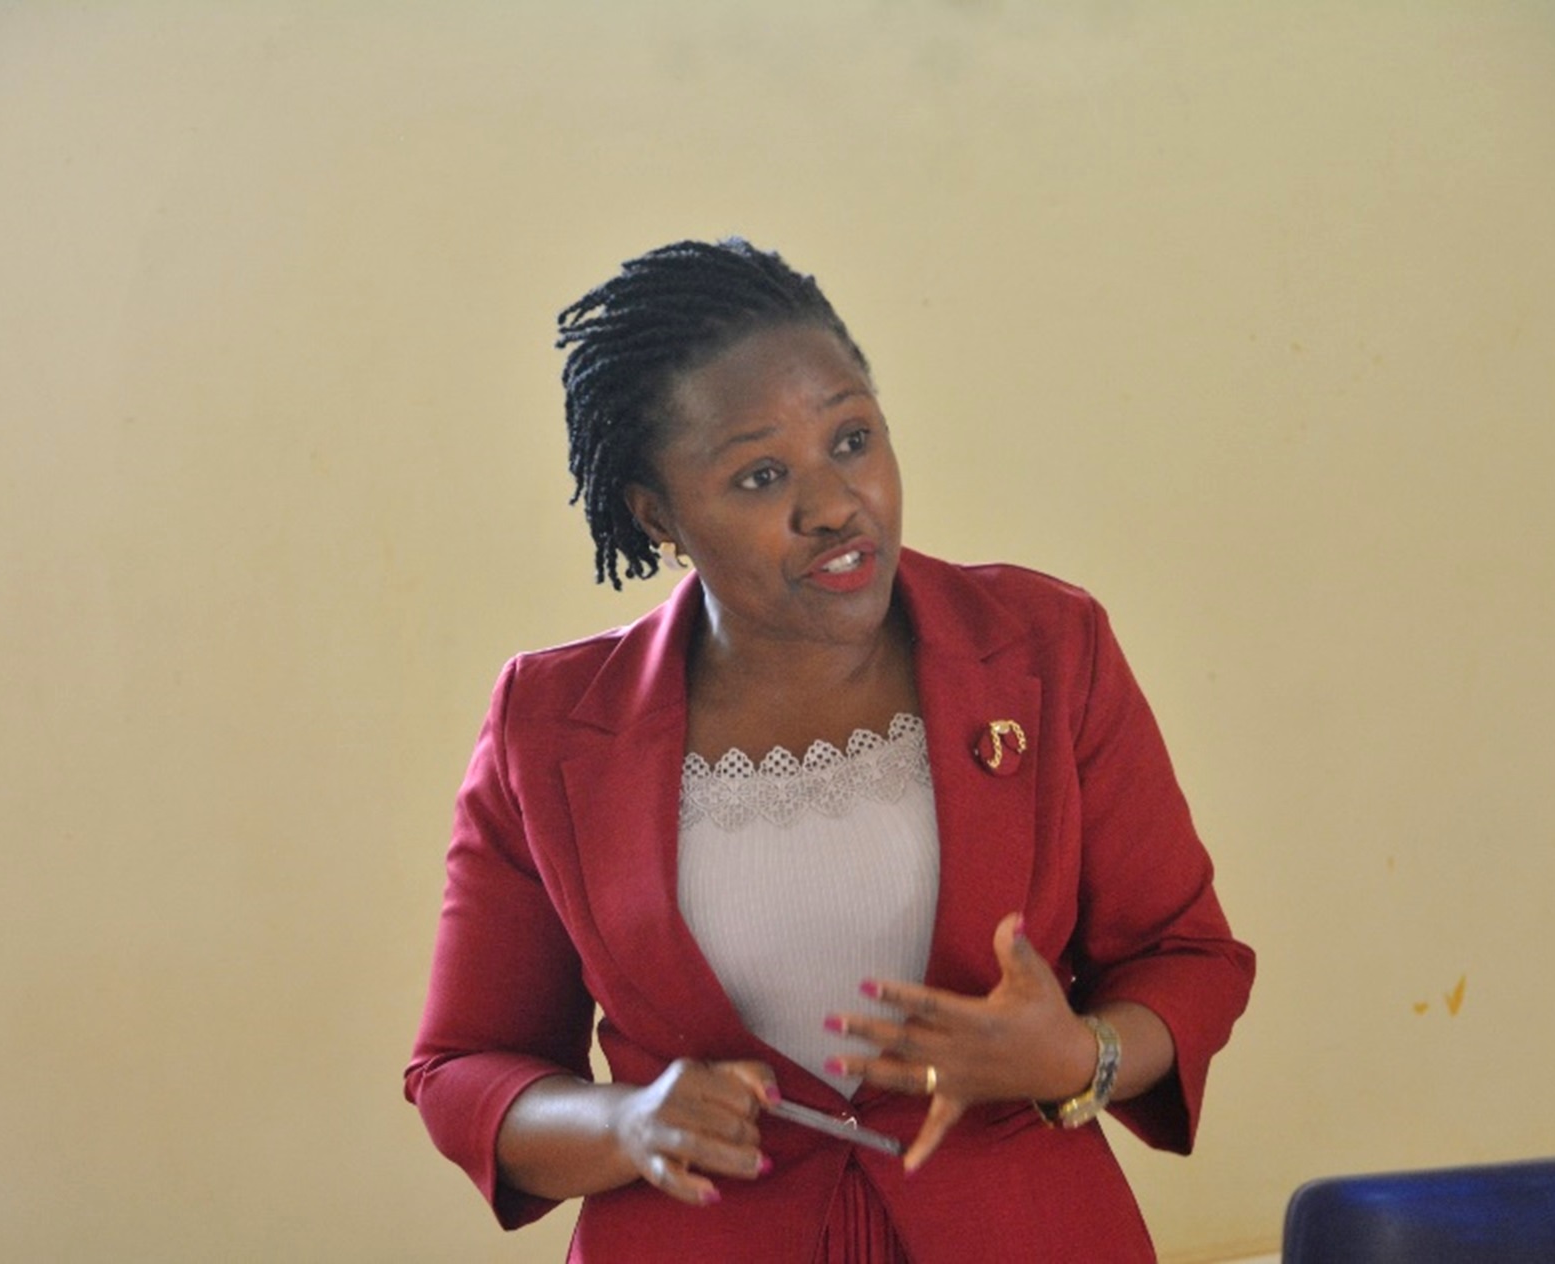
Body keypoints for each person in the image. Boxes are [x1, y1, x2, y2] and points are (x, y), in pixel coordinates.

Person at [404, 239, 1254, 1262]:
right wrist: (627, 1124)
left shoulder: (1044, 648)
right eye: (760, 476)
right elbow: (464, 1065)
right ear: (657, 515)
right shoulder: (551, 724)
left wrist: (1081, 1055)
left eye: (852, 439)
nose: (833, 506)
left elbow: (1186, 958)